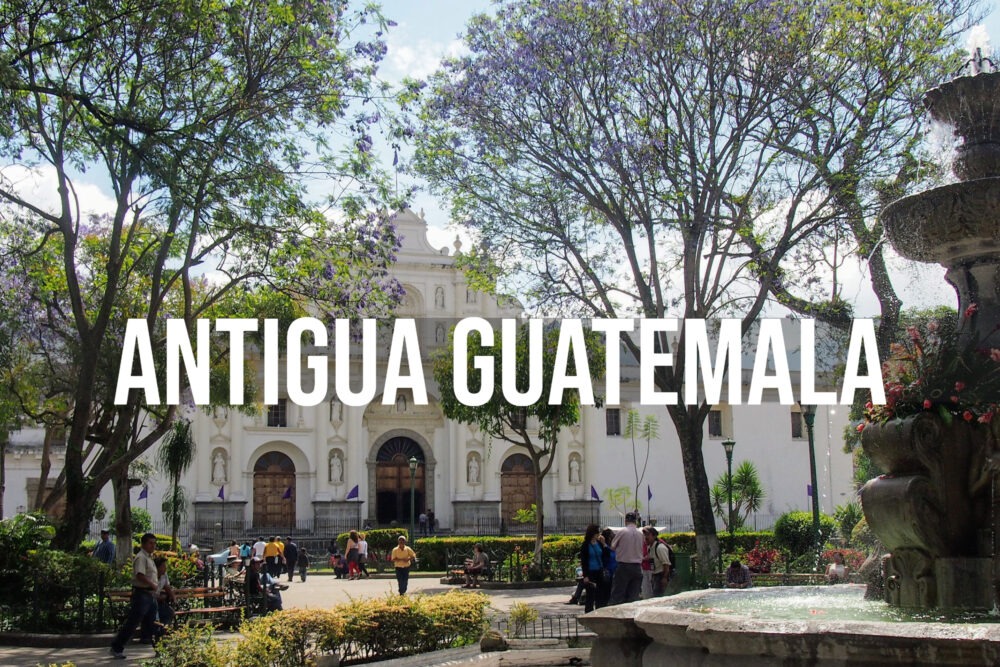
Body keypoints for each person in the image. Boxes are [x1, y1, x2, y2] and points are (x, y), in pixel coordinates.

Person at [109, 532, 159, 659]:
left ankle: (159, 648)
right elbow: (140, 575)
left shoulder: (149, 557)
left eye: (154, 543)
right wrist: (152, 584)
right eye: (150, 543)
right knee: (133, 622)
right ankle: (117, 646)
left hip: (150, 595)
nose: (153, 546)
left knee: (154, 622)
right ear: (143, 544)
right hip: (142, 594)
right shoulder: (141, 557)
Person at [609, 513, 644, 605]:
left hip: (624, 566)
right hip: (637, 567)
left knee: (618, 594)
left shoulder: (622, 531)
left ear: (626, 520)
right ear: (635, 521)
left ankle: (615, 616)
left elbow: (612, 547)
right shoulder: (641, 533)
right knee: (633, 596)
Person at [579, 524, 610, 613]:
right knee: (590, 596)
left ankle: (599, 613)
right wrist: (585, 575)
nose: (598, 534)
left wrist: (604, 544)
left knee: (600, 595)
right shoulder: (586, 545)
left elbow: (606, 555)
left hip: (599, 571)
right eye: (597, 532)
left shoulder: (599, 544)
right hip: (590, 573)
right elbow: (584, 561)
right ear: (592, 533)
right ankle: (589, 614)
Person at [643, 527, 671, 597]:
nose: (645, 537)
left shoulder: (660, 548)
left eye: (647, 535)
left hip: (661, 575)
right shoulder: (650, 547)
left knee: (658, 596)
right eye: (644, 535)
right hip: (655, 575)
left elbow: (666, 564)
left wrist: (664, 578)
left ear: (654, 536)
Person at [152, 556, 175, 630]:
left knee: (169, 612)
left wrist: (173, 597)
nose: (165, 568)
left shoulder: (164, 575)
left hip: (159, 601)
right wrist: (158, 597)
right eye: (163, 566)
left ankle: (163, 630)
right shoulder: (151, 575)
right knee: (155, 614)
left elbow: (167, 587)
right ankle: (155, 632)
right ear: (157, 567)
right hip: (150, 602)